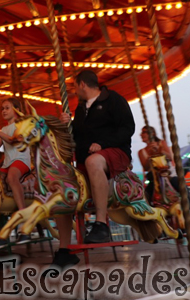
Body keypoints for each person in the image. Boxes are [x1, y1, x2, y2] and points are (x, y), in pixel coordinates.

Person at [56, 69, 136, 268]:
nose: (75, 91)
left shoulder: (114, 100)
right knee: (62, 189)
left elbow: (128, 128)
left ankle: (101, 223)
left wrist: (102, 143)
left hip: (115, 152)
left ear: (82, 84)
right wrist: (67, 125)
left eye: (75, 86)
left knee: (93, 161)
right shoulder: (81, 109)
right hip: (88, 158)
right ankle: (64, 249)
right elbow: (78, 138)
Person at [0, 97, 32, 248]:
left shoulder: (21, 124)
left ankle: (24, 215)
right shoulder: (4, 129)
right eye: (2, 108)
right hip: (7, 162)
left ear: (16, 110)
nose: (3, 111)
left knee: (12, 177)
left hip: (21, 160)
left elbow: (13, 141)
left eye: (7, 108)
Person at [138, 125, 179, 203]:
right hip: (154, 178)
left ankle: (188, 205)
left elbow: (170, 157)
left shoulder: (161, 143)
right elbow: (146, 167)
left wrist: (159, 150)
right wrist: (149, 155)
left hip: (168, 174)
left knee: (180, 186)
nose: (141, 134)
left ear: (152, 133)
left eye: (144, 132)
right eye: (141, 132)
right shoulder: (141, 152)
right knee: (146, 195)